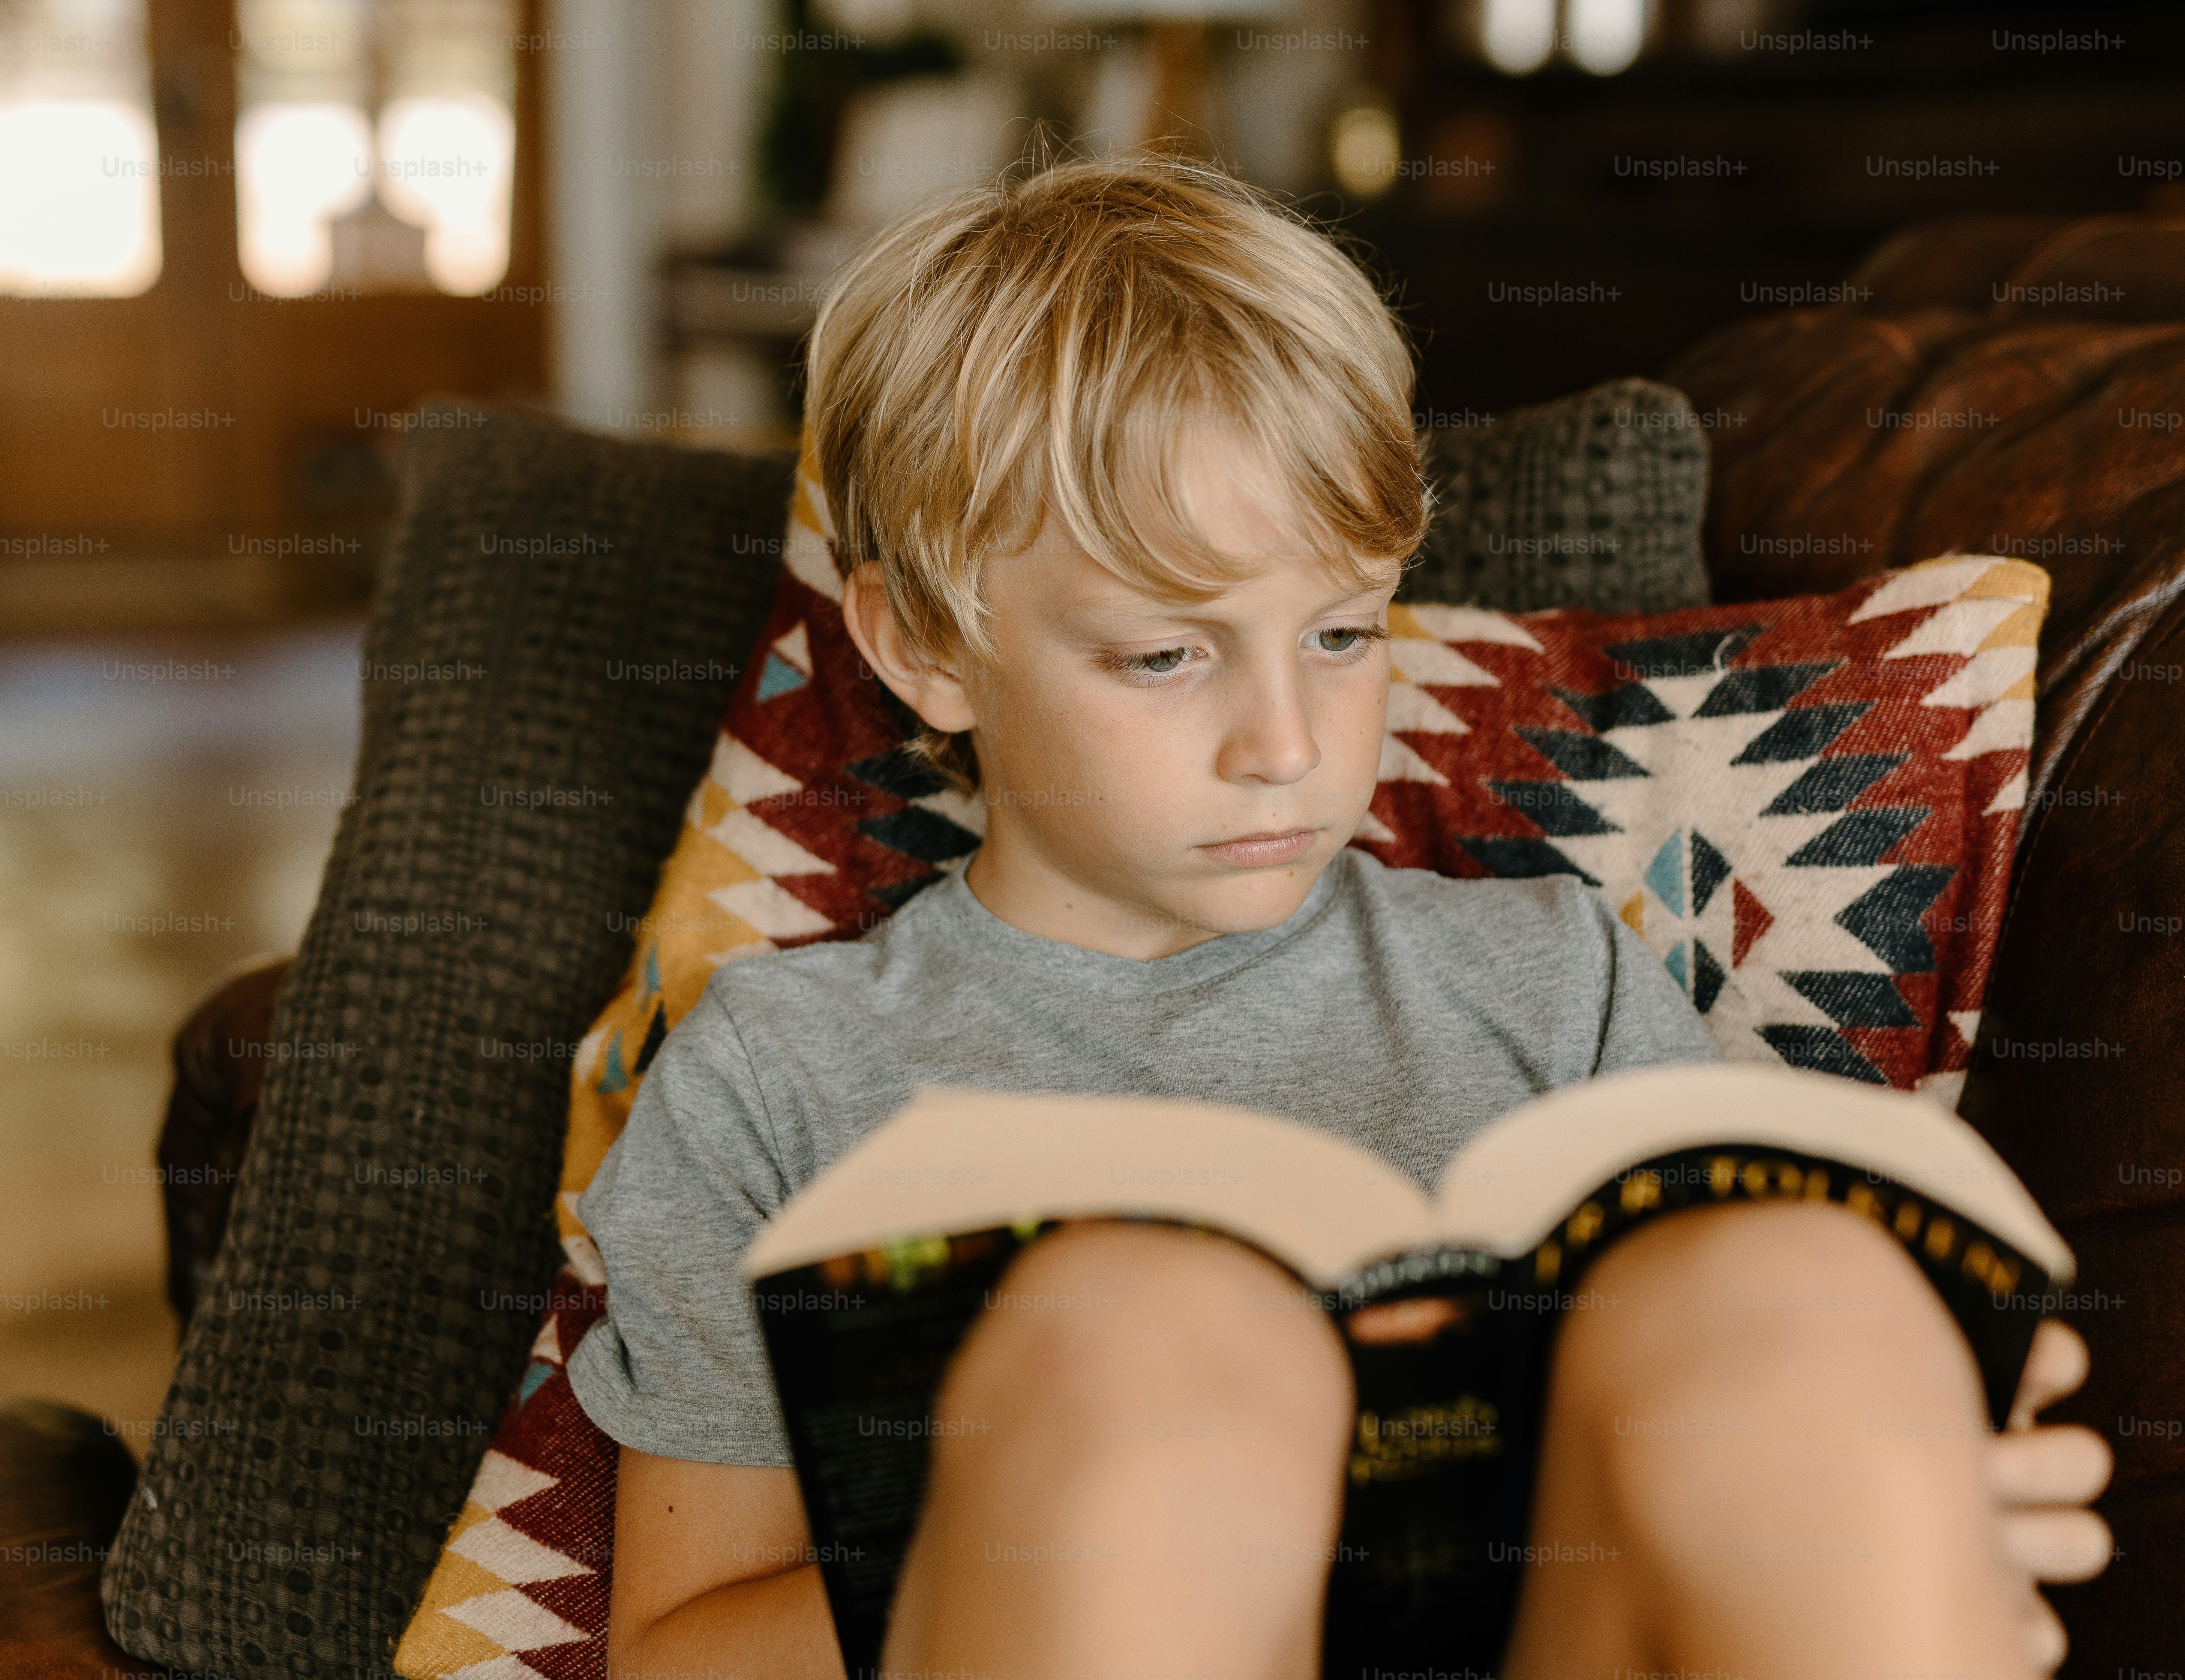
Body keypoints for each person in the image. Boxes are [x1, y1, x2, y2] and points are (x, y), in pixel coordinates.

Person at [567, 153, 2111, 1680]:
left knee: (1793, 1297)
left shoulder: (1550, 979)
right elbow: (676, 1649)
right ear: (923, 645)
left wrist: (1911, 1478)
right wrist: (1055, 1522)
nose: (1288, 744)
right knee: (1133, 1336)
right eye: (1166, 657)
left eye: (1342, 630)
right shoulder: (782, 1074)